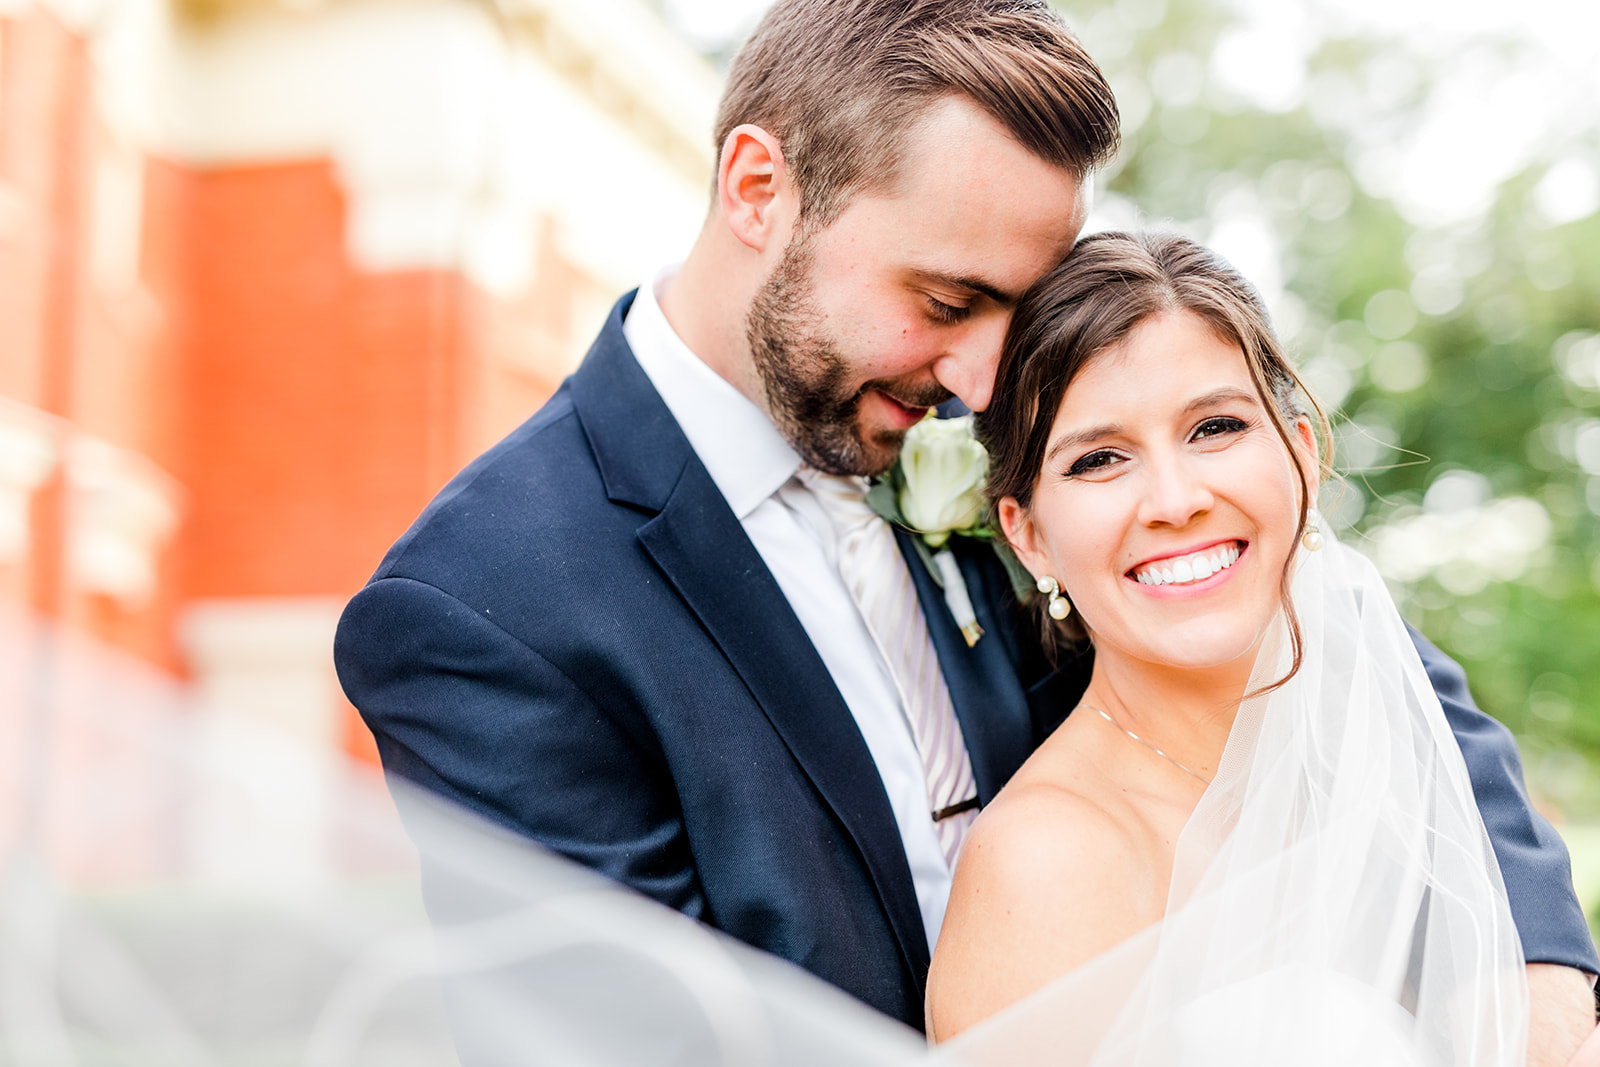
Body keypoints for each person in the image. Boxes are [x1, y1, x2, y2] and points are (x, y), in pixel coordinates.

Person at [333, 0, 1596, 1044]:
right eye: (946, 297)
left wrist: (1535, 971)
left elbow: (1337, 653)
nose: (989, 380)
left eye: (1017, 308)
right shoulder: (485, 603)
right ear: (758, 186)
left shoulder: (989, 450)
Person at [926, 231, 1597, 1066]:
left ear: (1303, 458)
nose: (1175, 500)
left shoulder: (1380, 738)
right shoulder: (1046, 866)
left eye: (1215, 426)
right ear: (1027, 536)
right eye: (1100, 459)